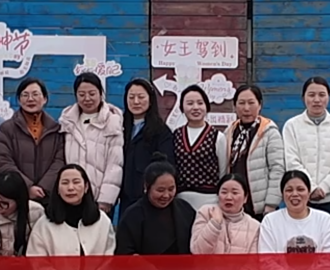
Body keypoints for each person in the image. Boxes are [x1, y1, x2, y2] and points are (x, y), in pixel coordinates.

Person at [282, 76, 330, 216]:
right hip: (302, 198)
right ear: (303, 98)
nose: (316, 100)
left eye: (321, 95)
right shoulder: (292, 126)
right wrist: (311, 188)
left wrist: (324, 188)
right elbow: (291, 160)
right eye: (311, 95)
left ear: (328, 97)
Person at [57, 72, 125, 214]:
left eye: (92, 94)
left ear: (101, 94)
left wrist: (106, 199)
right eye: (82, 94)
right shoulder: (68, 121)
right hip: (71, 196)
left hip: (98, 197)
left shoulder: (112, 121)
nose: (87, 98)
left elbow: (114, 164)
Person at [217, 83, 284, 218]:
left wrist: (271, 203)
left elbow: (277, 168)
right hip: (235, 203)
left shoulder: (269, 131)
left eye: (251, 103)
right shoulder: (230, 131)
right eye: (241, 103)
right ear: (235, 106)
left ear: (260, 105)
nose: (246, 108)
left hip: (259, 206)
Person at [0, 77, 66, 202]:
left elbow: (59, 162)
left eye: (35, 94)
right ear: (19, 100)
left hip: (49, 197)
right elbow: (3, 162)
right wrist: (28, 187)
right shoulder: (6, 129)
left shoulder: (56, 130)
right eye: (25, 95)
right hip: (16, 197)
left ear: (45, 99)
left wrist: (43, 187)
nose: (30, 99)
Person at [29, 165, 115, 256]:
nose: (70, 188)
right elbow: (36, 260)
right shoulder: (43, 225)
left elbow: (110, 255)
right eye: (65, 183)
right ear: (58, 189)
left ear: (86, 187)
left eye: (76, 182)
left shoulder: (102, 221)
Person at [114, 163, 195, 255]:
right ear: (146, 187)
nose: (166, 195)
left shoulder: (185, 210)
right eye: (160, 190)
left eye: (171, 189)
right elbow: (124, 251)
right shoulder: (132, 216)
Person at [120, 77, 175, 211]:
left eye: (141, 97)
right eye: (131, 97)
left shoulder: (161, 131)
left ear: (150, 100)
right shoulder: (119, 126)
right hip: (125, 196)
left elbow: (166, 164)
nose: (136, 101)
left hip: (149, 197)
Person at [168, 84, 224, 211]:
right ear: (182, 108)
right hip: (181, 200)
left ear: (207, 106)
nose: (195, 107)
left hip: (210, 200)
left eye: (200, 103)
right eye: (190, 103)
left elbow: (223, 170)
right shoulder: (175, 135)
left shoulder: (217, 137)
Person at [260, 170, 330, 253]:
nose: (295, 194)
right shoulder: (270, 221)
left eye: (300, 189)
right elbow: (267, 258)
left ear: (309, 193)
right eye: (289, 190)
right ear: (282, 194)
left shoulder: (325, 220)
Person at [191, 175, 262, 254]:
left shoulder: (255, 226)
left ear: (245, 198)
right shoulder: (206, 212)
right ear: (217, 195)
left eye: (235, 193)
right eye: (224, 192)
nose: (228, 197)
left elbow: (253, 259)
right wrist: (214, 223)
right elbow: (197, 251)